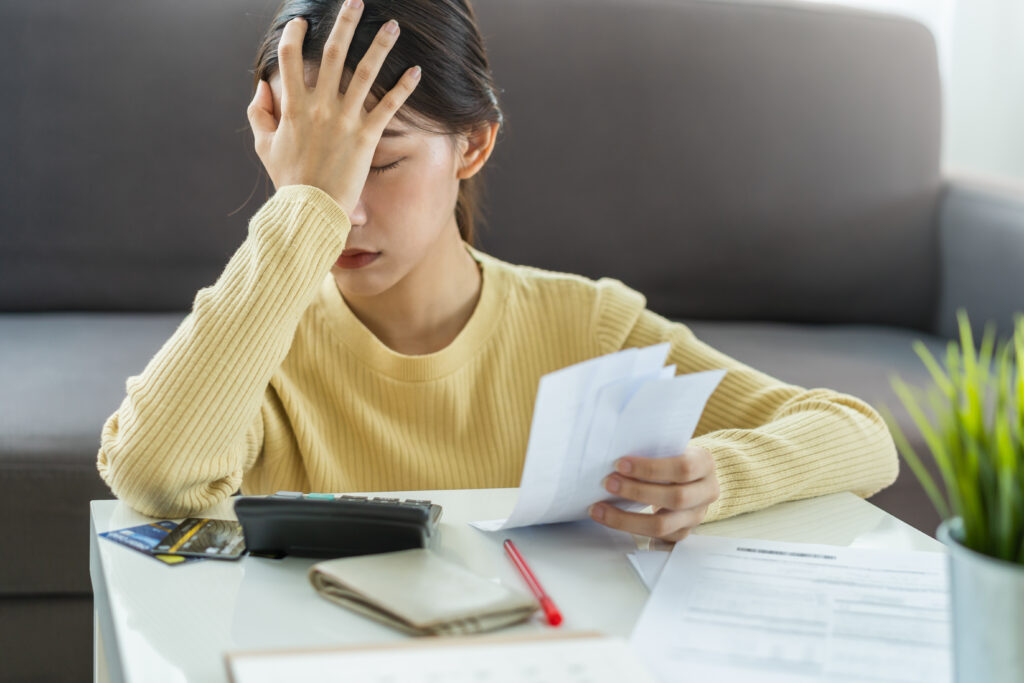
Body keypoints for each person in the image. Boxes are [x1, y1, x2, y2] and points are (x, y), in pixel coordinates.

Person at [96, 0, 898, 543]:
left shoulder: (585, 325)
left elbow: (860, 437)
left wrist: (718, 475)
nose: (349, 211)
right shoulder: (259, 342)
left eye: (380, 161)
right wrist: (303, 209)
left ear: (472, 145)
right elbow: (154, 476)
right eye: (316, 170)